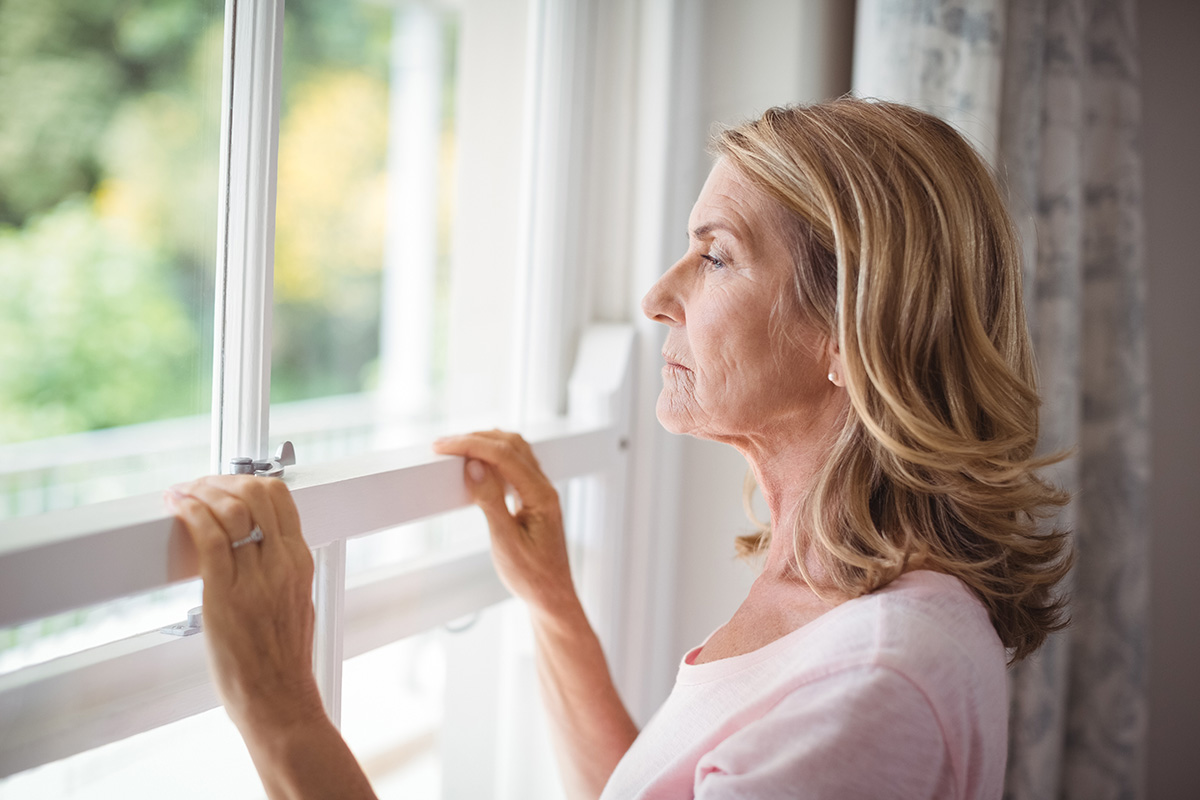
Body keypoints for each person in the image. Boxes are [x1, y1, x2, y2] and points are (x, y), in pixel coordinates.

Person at [165, 98, 1072, 799]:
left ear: (850, 333)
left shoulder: (874, 686)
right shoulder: (835, 596)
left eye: (715, 257)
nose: (656, 296)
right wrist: (555, 606)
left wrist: (281, 709)